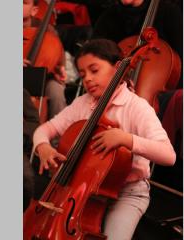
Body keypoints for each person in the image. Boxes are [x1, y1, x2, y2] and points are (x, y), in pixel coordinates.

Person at [32, 39, 176, 239]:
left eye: (94, 70)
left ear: (117, 68)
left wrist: (126, 139)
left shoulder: (137, 107)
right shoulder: (83, 103)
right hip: (79, 188)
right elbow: (45, 129)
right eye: (82, 75)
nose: (87, 79)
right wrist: (42, 146)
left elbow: (169, 155)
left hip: (128, 192)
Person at [24, 0, 68, 121]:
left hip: (44, 78)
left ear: (34, 10)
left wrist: (60, 69)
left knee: (57, 91)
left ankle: (57, 137)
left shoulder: (48, 30)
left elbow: (58, 55)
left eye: (24, 3)